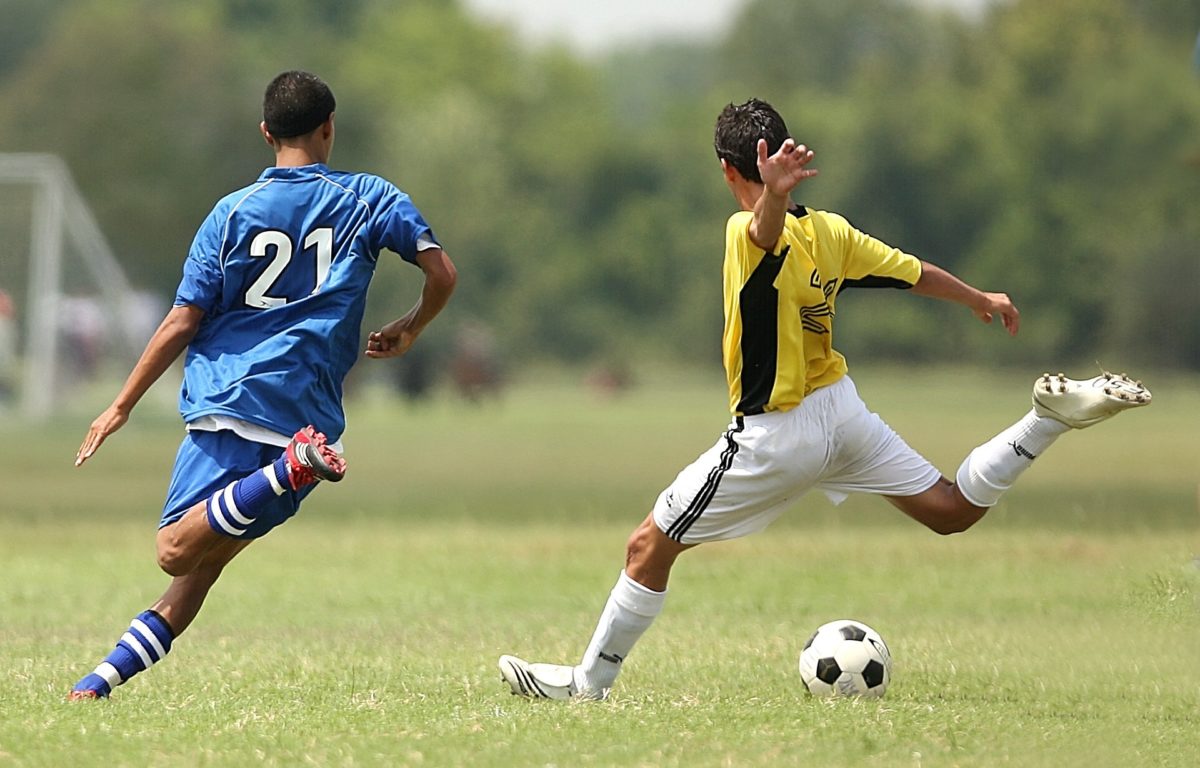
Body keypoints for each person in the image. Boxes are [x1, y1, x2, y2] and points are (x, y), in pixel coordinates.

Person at [498, 98, 1150, 701]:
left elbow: (761, 234)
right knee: (951, 510)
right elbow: (910, 271)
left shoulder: (743, 231)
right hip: (842, 411)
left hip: (776, 434)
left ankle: (590, 684)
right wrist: (978, 297)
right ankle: (1043, 421)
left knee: (648, 546)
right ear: (780, 154)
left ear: (729, 170)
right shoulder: (831, 232)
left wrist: (770, 199)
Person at [68, 70, 457, 700]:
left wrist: (120, 405)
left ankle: (285, 470)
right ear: (330, 128)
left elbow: (182, 320)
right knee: (197, 574)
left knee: (174, 550)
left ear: (265, 133)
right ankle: (98, 683)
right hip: (308, 412)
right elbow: (442, 272)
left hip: (232, 400)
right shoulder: (370, 198)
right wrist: (410, 328)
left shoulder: (230, 214)